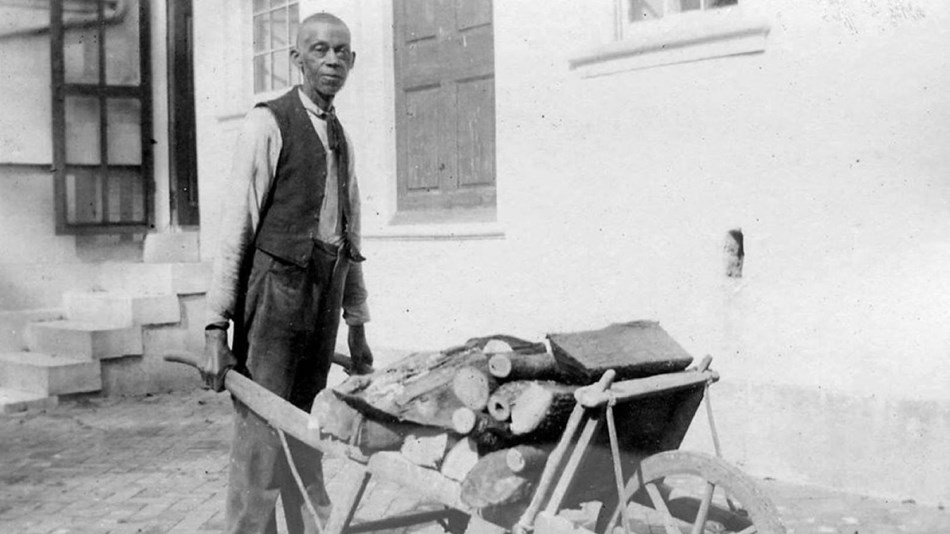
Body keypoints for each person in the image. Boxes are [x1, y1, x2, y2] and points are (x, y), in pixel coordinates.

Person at [201, 12, 373, 534]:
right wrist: (215, 329)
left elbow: (350, 237)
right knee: (261, 441)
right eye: (319, 50)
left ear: (352, 61)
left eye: (341, 51)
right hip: (275, 297)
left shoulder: (340, 135)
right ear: (297, 59)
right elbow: (236, 227)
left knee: (306, 431)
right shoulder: (267, 122)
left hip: (323, 297)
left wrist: (358, 328)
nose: (332, 61)